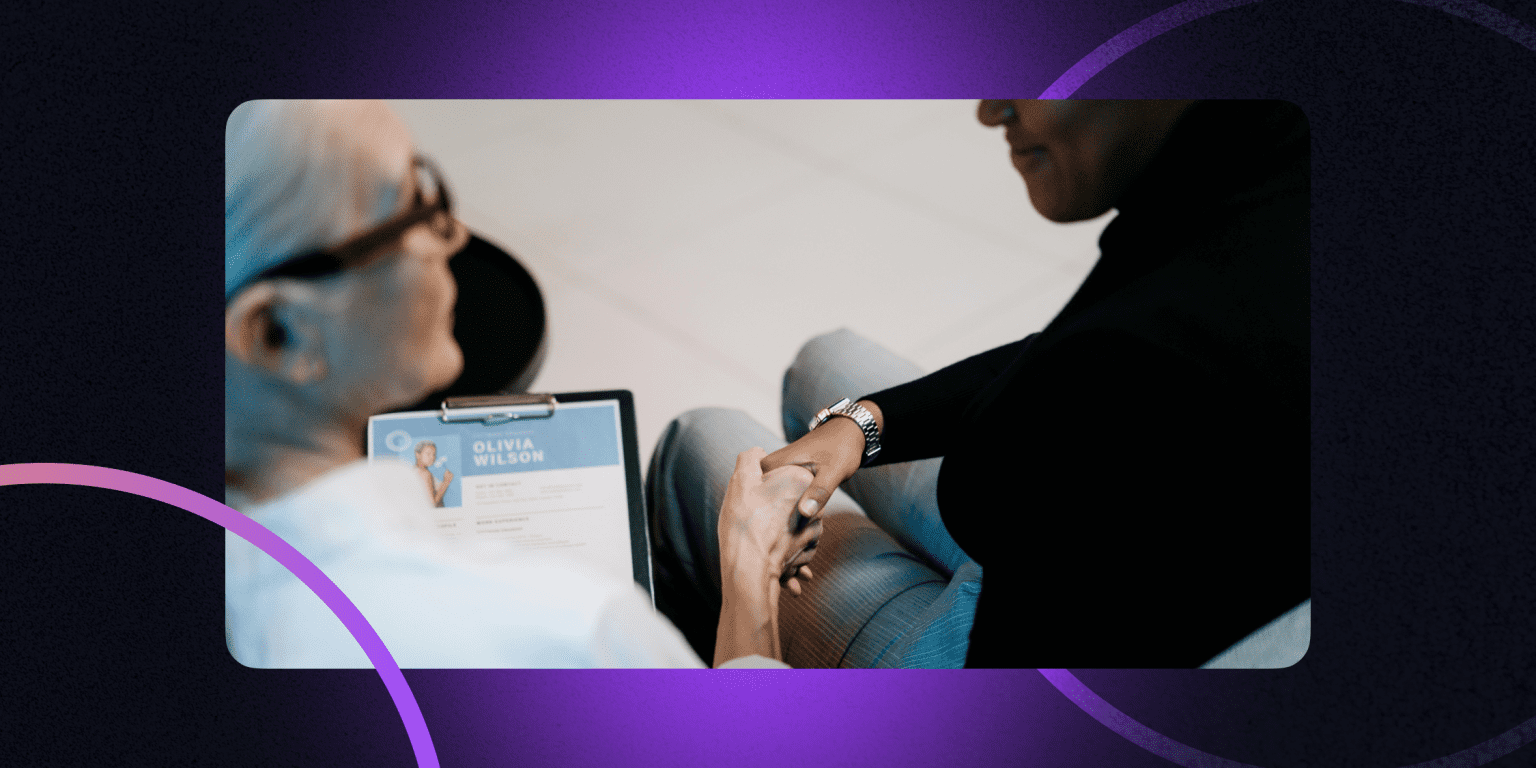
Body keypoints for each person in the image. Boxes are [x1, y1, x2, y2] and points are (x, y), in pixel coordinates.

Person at [649, 100, 1310, 668]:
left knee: (696, 441)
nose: (989, 111)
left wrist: (749, 577)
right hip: (1112, 560)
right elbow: (1080, 350)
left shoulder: (1126, 367)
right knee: (824, 365)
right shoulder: (1274, 168)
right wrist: (864, 423)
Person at [223, 100, 819, 669]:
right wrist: (750, 568)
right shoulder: (567, 628)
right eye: (410, 207)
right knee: (704, 438)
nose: (453, 236)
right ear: (276, 333)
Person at [412, 440, 453, 507]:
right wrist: (446, 481)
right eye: (428, 454)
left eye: (434, 454)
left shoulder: (413, 471)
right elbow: (432, 504)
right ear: (418, 454)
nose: (432, 457)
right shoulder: (425, 473)